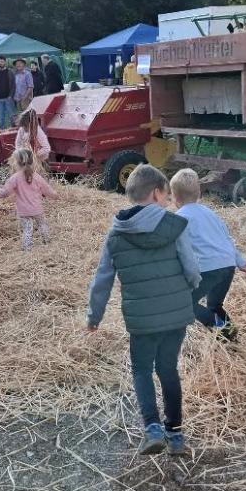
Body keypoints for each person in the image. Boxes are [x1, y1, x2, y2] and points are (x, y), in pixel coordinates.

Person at [86, 164, 200, 456]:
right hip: (175, 314)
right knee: (168, 368)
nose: (167, 201)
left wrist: (94, 316)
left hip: (141, 319)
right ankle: (175, 435)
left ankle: (152, 429)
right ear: (157, 193)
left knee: (141, 369)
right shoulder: (174, 225)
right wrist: (190, 288)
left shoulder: (116, 233)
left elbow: (102, 279)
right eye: (165, 195)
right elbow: (191, 267)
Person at [170, 168, 246, 342]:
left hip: (208, 269)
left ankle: (216, 324)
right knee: (214, 305)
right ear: (199, 193)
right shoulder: (211, 214)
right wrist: (242, 263)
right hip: (228, 266)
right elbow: (227, 239)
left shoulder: (179, 218)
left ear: (174, 197)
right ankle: (230, 336)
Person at [0, 148, 58, 250]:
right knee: (42, 224)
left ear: (16, 163)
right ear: (32, 161)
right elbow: (47, 189)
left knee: (27, 229)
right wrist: (55, 195)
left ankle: (27, 248)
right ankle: (47, 241)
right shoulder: (37, 177)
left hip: (24, 210)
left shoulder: (15, 178)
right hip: (37, 208)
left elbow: (5, 192)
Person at [0, 56, 16, 129]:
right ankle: (2, 130)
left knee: (12, 116)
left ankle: (14, 129)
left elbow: (13, 85)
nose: (0, 63)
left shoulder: (10, 72)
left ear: (5, 62)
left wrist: (11, 96)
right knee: (0, 116)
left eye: (1, 61)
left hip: (8, 98)